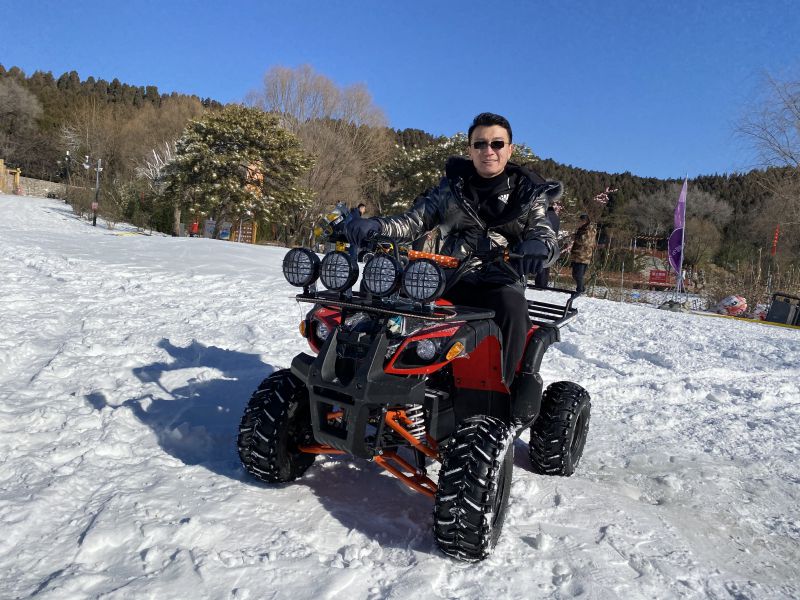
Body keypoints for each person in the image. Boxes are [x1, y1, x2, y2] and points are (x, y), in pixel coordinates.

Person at [346, 112, 560, 392]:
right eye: (480, 144)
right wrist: (376, 225)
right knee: (395, 299)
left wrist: (538, 247)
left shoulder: (529, 193)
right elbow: (415, 221)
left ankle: (502, 394)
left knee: (512, 309)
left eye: (497, 143)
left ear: (510, 149)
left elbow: (543, 232)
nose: (488, 151)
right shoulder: (451, 189)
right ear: (470, 149)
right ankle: (382, 378)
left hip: (501, 279)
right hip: (450, 276)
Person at [534, 203, 561, 287]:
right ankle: (544, 282)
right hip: (553, 241)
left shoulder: (546, 216)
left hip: (545, 240)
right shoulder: (556, 218)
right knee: (548, 263)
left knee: (542, 262)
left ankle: (540, 282)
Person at [569, 214, 596, 294]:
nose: (579, 222)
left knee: (578, 274)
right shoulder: (582, 229)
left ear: (585, 221)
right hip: (577, 254)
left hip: (583, 255)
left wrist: (575, 237)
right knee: (574, 274)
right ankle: (581, 288)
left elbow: (585, 241)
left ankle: (580, 290)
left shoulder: (589, 229)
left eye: (580, 221)